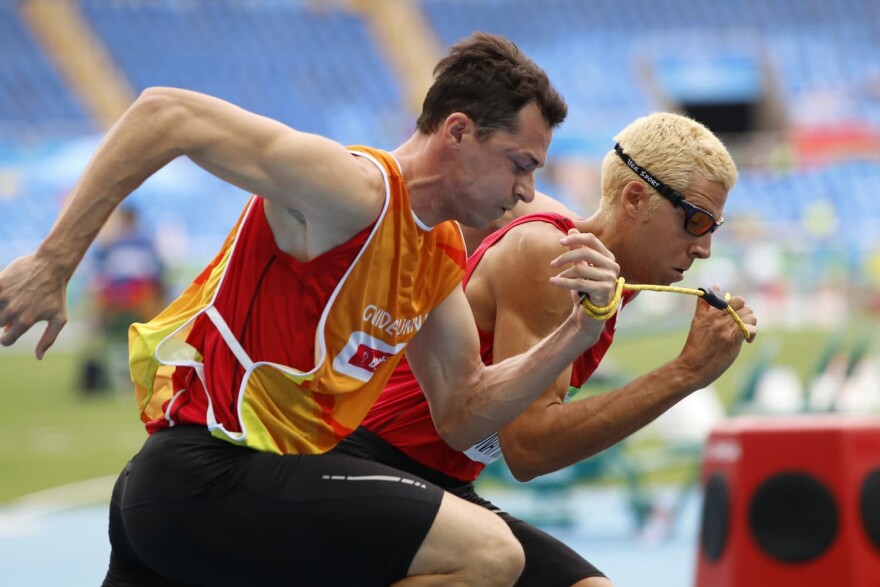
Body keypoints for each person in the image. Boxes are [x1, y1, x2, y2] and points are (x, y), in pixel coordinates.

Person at [0, 33, 626, 586]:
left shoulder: (437, 255)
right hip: (206, 475)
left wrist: (577, 330)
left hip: (230, 497)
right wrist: (54, 261)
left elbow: (464, 413)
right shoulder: (353, 190)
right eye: (520, 164)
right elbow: (166, 112)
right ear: (458, 132)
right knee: (489, 555)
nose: (527, 191)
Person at [332, 112, 759, 587]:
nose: (704, 249)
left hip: (443, 481)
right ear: (635, 198)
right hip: (372, 463)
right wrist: (685, 373)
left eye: (714, 226)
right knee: (486, 570)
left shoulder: (601, 268)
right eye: (695, 221)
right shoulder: (554, 257)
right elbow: (529, 449)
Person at [80, 204, 166, 394]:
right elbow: (98, 274)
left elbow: (157, 275)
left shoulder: (144, 242)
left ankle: (155, 364)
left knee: (152, 310)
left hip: (139, 297)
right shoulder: (110, 243)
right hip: (116, 297)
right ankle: (94, 368)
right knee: (96, 315)